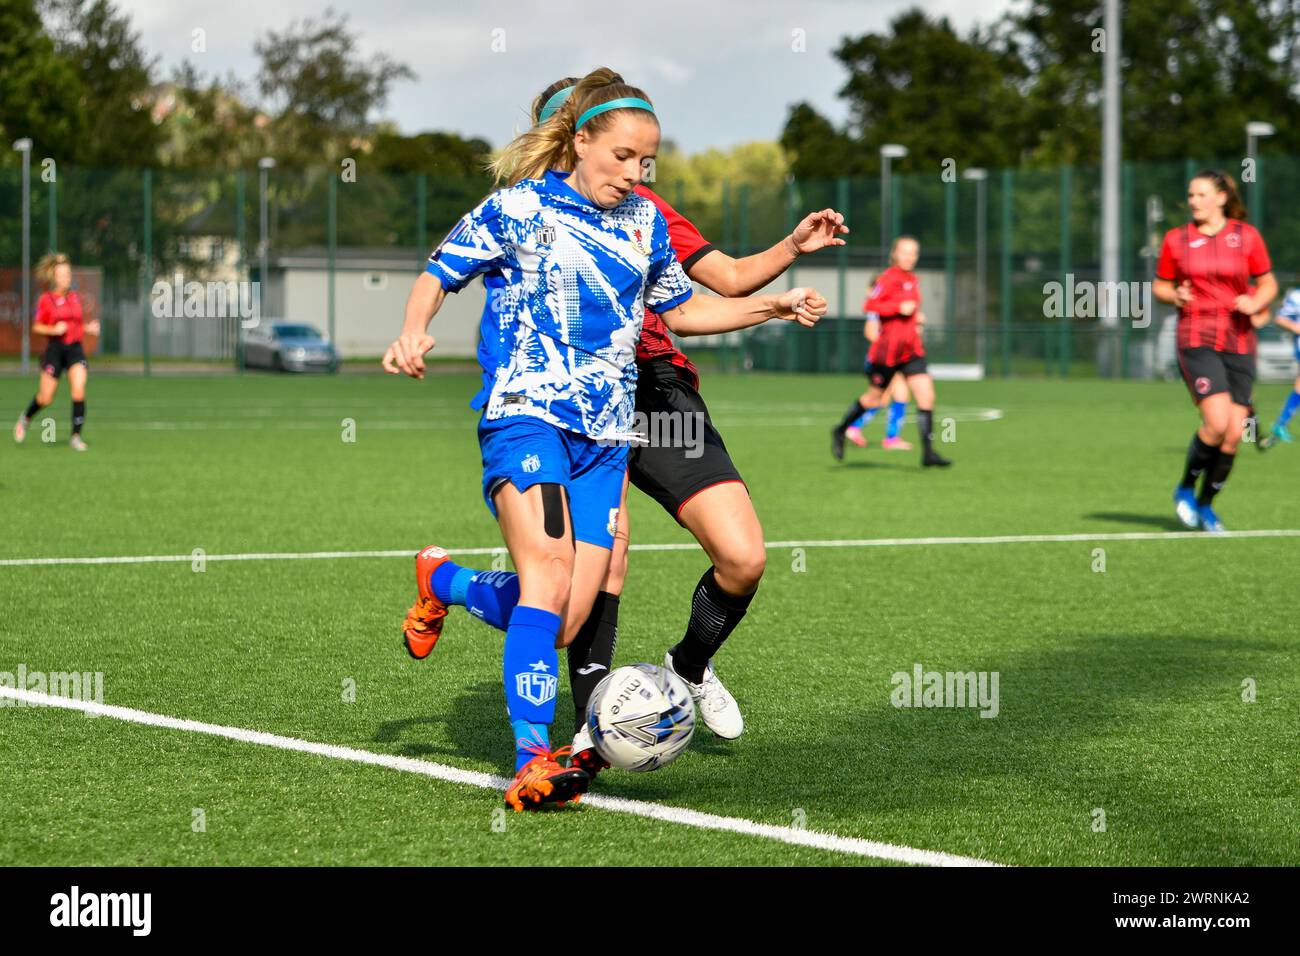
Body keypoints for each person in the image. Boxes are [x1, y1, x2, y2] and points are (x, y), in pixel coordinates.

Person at [384, 68, 827, 810]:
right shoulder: (516, 208)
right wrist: (412, 329)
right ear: (579, 141)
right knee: (550, 581)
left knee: (562, 620)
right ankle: (535, 758)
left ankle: (445, 580)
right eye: (623, 156)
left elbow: (683, 313)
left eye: (646, 162)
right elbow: (440, 270)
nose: (635, 173)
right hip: (529, 414)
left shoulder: (644, 222)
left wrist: (772, 307)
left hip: (608, 433)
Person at [1153, 170, 1276, 532]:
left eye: (1201, 194)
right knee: (1218, 422)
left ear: (1222, 198)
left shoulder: (1247, 237)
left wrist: (1256, 304)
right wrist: (1173, 294)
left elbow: (1267, 284)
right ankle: (1185, 489)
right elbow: (1160, 286)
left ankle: (1207, 506)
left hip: (1239, 340)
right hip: (1197, 337)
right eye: (1190, 195)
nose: (1193, 201)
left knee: (1236, 433)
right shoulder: (1177, 240)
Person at [830, 236, 951, 467]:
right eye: (905, 252)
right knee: (874, 398)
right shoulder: (888, 278)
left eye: (914, 253)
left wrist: (916, 317)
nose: (910, 257)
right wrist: (898, 308)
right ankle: (841, 430)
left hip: (912, 351)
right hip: (888, 353)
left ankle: (928, 453)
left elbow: (909, 312)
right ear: (895, 253)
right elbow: (870, 306)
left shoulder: (913, 279)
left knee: (927, 396)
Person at [12, 253, 99, 451]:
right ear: (54, 277)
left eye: (68, 273)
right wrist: (53, 329)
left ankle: (75, 436)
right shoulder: (46, 300)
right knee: (46, 398)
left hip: (75, 349)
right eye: (62, 274)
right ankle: (25, 418)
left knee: (79, 389)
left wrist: (88, 328)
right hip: (55, 350)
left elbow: (75, 325)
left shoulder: (76, 297)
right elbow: (37, 326)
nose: (67, 277)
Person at [1258, 288, 1300, 447]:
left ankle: (1280, 424)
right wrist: (1295, 327)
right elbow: (1280, 318)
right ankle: (1255, 432)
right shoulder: (1297, 296)